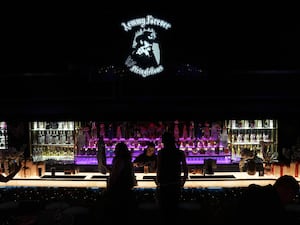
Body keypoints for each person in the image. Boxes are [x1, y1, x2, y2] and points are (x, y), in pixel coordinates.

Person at [235, 175, 300, 223]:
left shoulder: (257, 192)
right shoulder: (274, 206)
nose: (291, 200)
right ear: (285, 191)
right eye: (292, 196)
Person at [156, 132, 189, 213]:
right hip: (176, 182)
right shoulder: (180, 153)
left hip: (164, 183)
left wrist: (158, 181)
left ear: (164, 141)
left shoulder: (161, 153)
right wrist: (183, 182)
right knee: (175, 207)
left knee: (164, 208)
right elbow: (185, 169)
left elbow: (159, 168)